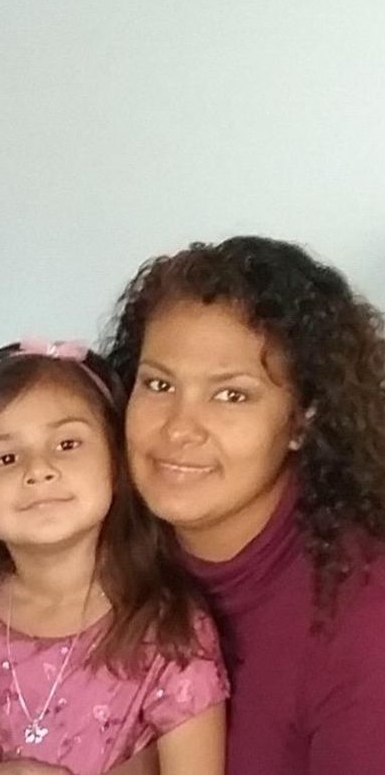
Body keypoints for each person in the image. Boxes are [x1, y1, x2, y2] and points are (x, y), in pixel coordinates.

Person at [105, 235, 385, 774]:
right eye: (158, 384)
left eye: (231, 395)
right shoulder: (86, 540)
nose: (179, 429)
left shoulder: (364, 621)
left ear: (303, 419)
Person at [0, 340, 226, 774]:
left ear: (116, 465)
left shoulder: (170, 631)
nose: (38, 470)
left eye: (67, 444)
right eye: (6, 458)